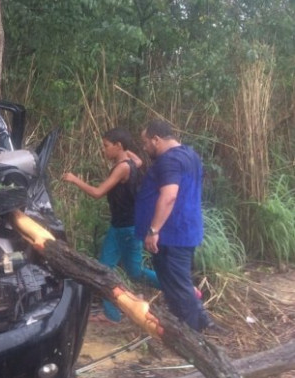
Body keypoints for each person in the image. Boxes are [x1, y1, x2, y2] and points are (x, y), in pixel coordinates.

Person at [62, 127, 160, 322]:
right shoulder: (133, 162)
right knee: (106, 269)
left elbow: (98, 193)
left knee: (130, 271)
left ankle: (174, 285)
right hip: (120, 227)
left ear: (118, 146)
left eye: (106, 146)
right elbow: (136, 159)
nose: (103, 150)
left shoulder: (123, 167)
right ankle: (111, 315)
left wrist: (74, 180)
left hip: (126, 229)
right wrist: (125, 149)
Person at [135, 119, 212, 332]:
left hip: (171, 234)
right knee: (179, 284)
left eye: (145, 142)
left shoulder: (169, 161)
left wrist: (153, 230)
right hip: (184, 230)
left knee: (178, 287)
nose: (144, 147)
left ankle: (191, 337)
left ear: (156, 139)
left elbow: (169, 196)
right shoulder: (190, 155)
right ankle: (198, 323)